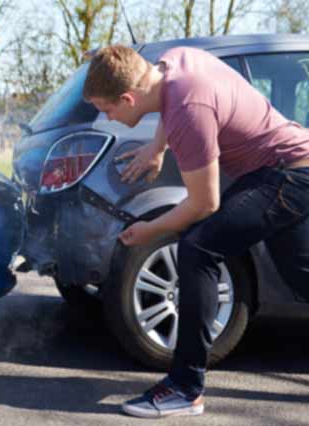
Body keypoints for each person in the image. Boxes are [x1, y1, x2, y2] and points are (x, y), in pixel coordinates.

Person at [83, 45, 309, 418]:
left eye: (107, 110)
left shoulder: (188, 110)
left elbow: (204, 204)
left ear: (127, 97)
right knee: (301, 277)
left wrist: (150, 230)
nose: (108, 117)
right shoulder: (176, 61)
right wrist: (157, 148)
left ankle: (185, 387)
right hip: (289, 166)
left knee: (198, 247)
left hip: (287, 176)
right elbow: (168, 103)